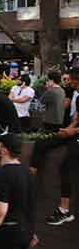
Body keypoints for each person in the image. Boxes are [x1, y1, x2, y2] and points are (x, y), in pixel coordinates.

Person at [30, 67, 79, 226]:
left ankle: (64, 210)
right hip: (73, 133)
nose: (68, 82)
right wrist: (67, 129)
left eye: (70, 79)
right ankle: (29, 181)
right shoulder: (77, 98)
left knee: (65, 165)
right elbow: (76, 119)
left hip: (76, 136)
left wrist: (73, 131)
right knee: (41, 143)